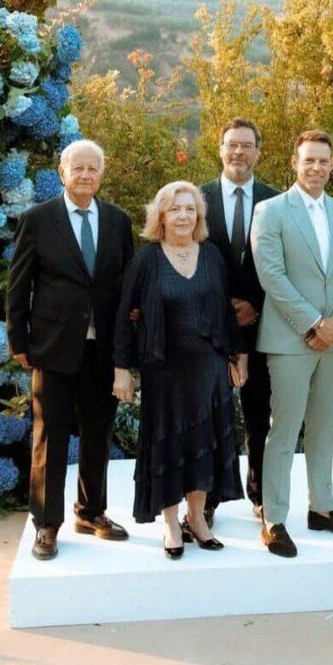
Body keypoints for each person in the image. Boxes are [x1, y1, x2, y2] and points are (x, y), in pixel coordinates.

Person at [6, 139, 134, 561]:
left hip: (102, 352)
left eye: (92, 168)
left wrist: (126, 350)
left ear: (102, 173)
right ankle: (46, 524)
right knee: (51, 440)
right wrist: (18, 341)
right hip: (53, 350)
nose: (85, 175)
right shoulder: (38, 220)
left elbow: (125, 289)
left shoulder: (117, 221)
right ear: (62, 172)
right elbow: (18, 285)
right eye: (77, 168)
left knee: (98, 435)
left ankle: (91, 512)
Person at [113, 181, 247, 558]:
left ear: (199, 216)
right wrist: (121, 368)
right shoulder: (147, 259)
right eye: (175, 209)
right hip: (164, 371)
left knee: (203, 443)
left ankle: (197, 519)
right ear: (161, 217)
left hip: (209, 370)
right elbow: (124, 316)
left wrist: (240, 355)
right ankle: (171, 523)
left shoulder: (212, 255)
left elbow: (226, 312)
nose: (183, 216)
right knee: (169, 444)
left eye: (190, 209)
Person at [251, 129, 333, 558]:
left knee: (323, 425)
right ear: (294, 163)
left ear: (331, 165)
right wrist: (314, 323)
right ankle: (275, 518)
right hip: (290, 339)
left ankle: (322, 507)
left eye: (323, 161)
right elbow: (272, 276)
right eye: (308, 160)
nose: (316, 167)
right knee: (283, 429)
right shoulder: (271, 211)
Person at [202, 118, 279, 522]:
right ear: (220, 149)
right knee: (210, 414)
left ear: (258, 152)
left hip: (261, 324)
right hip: (209, 326)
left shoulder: (277, 201)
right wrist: (222, 306)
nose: (239, 152)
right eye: (232, 144)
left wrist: (256, 304)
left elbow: (286, 263)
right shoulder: (196, 199)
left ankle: (260, 494)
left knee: (258, 414)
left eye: (247, 145)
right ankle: (207, 497)